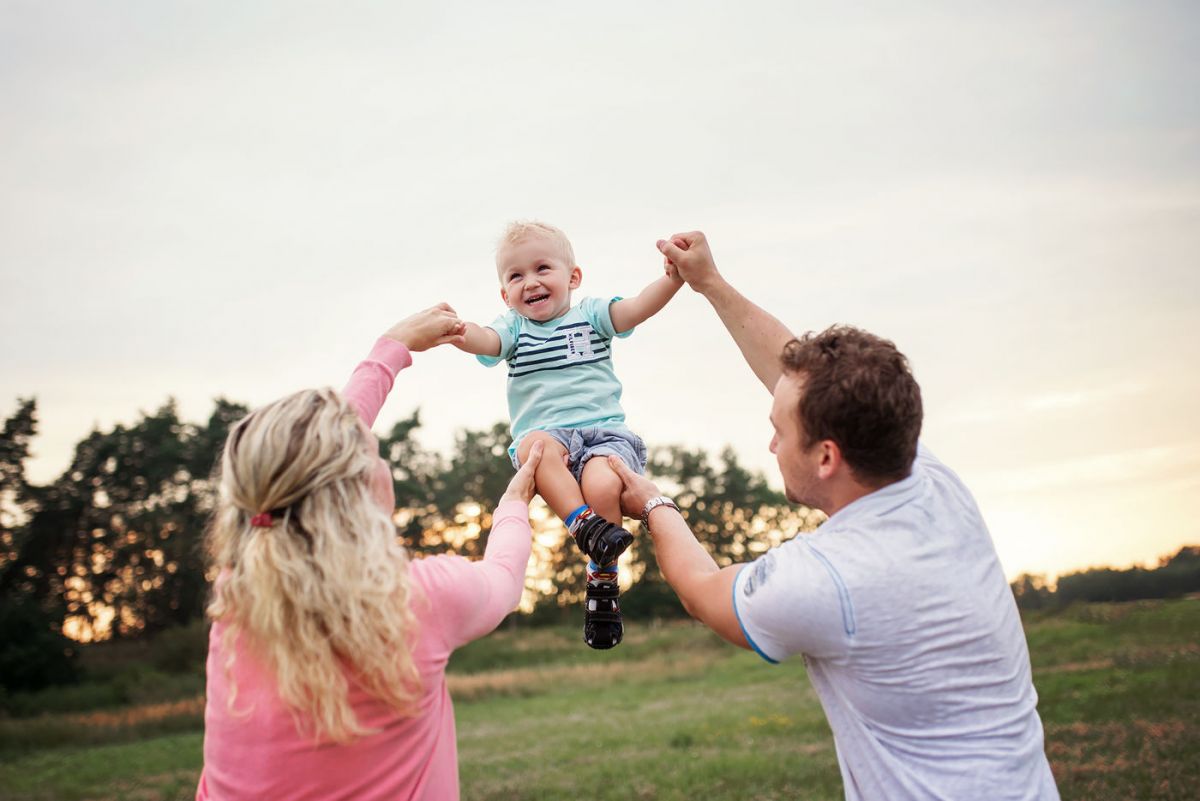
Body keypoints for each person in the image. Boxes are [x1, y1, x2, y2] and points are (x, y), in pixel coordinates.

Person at [607, 232, 1060, 800]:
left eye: (780, 431)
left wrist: (652, 503)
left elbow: (702, 592)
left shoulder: (826, 579)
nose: (771, 445)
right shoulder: (928, 480)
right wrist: (710, 285)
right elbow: (801, 378)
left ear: (826, 456)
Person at [196, 304, 546, 801]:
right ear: (360, 488)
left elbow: (310, 461)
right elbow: (505, 577)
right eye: (376, 455)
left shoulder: (236, 600)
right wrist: (513, 505)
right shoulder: (420, 601)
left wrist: (392, 348)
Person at [455, 220, 683, 649]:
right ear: (505, 294)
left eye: (543, 268)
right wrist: (456, 332)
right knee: (534, 449)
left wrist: (672, 280)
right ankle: (583, 525)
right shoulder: (513, 330)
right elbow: (485, 340)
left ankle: (602, 583)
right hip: (549, 439)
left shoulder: (592, 314)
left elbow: (637, 307)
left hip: (604, 435)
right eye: (516, 276)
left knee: (601, 483)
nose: (531, 282)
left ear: (572, 277)